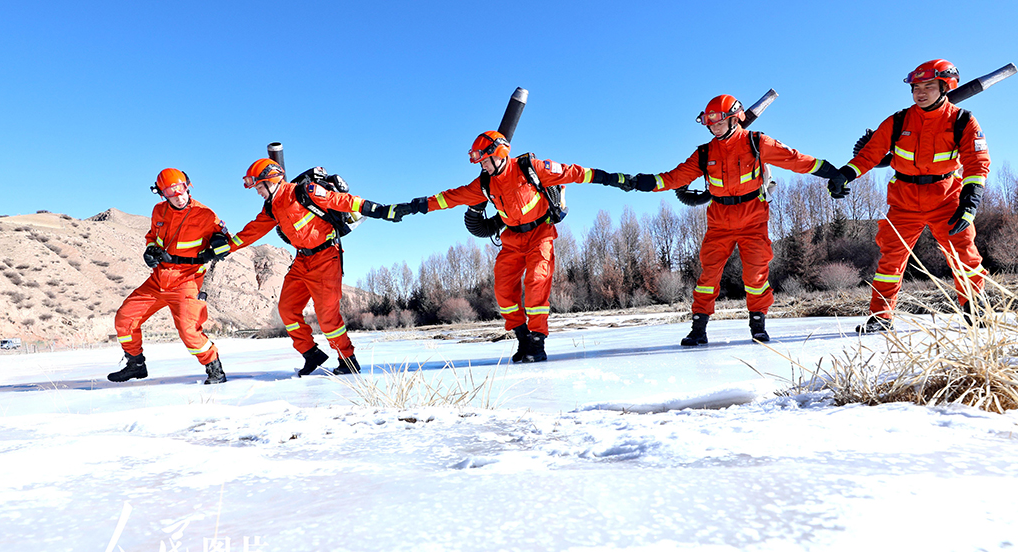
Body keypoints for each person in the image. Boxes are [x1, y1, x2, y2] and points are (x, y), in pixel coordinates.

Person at [367, 131, 632, 363]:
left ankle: (537, 342)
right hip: (512, 239)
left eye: (484, 160)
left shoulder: (532, 167)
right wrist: (412, 207)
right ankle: (522, 337)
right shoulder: (484, 183)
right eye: (479, 161)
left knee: (537, 283)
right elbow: (449, 197)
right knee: (504, 291)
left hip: (540, 234)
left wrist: (618, 179)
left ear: (499, 154)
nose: (481, 165)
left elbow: (577, 173)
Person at [626, 95, 848, 345]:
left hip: (753, 218)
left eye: (718, 122)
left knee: (755, 274)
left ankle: (758, 325)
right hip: (719, 221)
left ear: (734, 119)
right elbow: (673, 178)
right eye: (709, 124)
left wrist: (834, 173)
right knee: (708, 275)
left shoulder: (757, 142)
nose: (713, 128)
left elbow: (796, 160)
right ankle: (698, 328)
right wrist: (641, 182)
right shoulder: (704, 153)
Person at [828, 59, 991, 333]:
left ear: (945, 86)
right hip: (904, 201)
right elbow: (870, 154)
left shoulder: (963, 121)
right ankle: (881, 317)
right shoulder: (898, 120)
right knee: (890, 259)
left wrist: (970, 202)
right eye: (916, 87)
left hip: (946, 198)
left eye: (928, 86)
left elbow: (977, 162)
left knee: (964, 253)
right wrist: (845, 174)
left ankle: (975, 311)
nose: (920, 92)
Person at [231, 158, 391, 376]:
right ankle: (311, 354)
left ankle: (347, 360)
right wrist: (223, 248)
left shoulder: (304, 191)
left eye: (259, 187)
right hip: (301, 261)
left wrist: (377, 209)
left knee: (327, 317)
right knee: (287, 310)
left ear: (272, 181)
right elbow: (251, 232)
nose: (258, 192)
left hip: (326, 258)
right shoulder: (271, 208)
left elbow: (341, 200)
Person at [108, 169, 231, 384]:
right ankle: (135, 364)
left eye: (181, 189)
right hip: (158, 280)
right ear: (162, 194)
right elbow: (152, 237)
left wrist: (219, 242)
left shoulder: (205, 214)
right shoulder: (159, 211)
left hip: (187, 280)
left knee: (188, 330)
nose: (179, 196)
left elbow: (223, 238)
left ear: (188, 186)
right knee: (124, 319)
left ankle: (215, 369)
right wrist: (150, 250)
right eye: (171, 192)